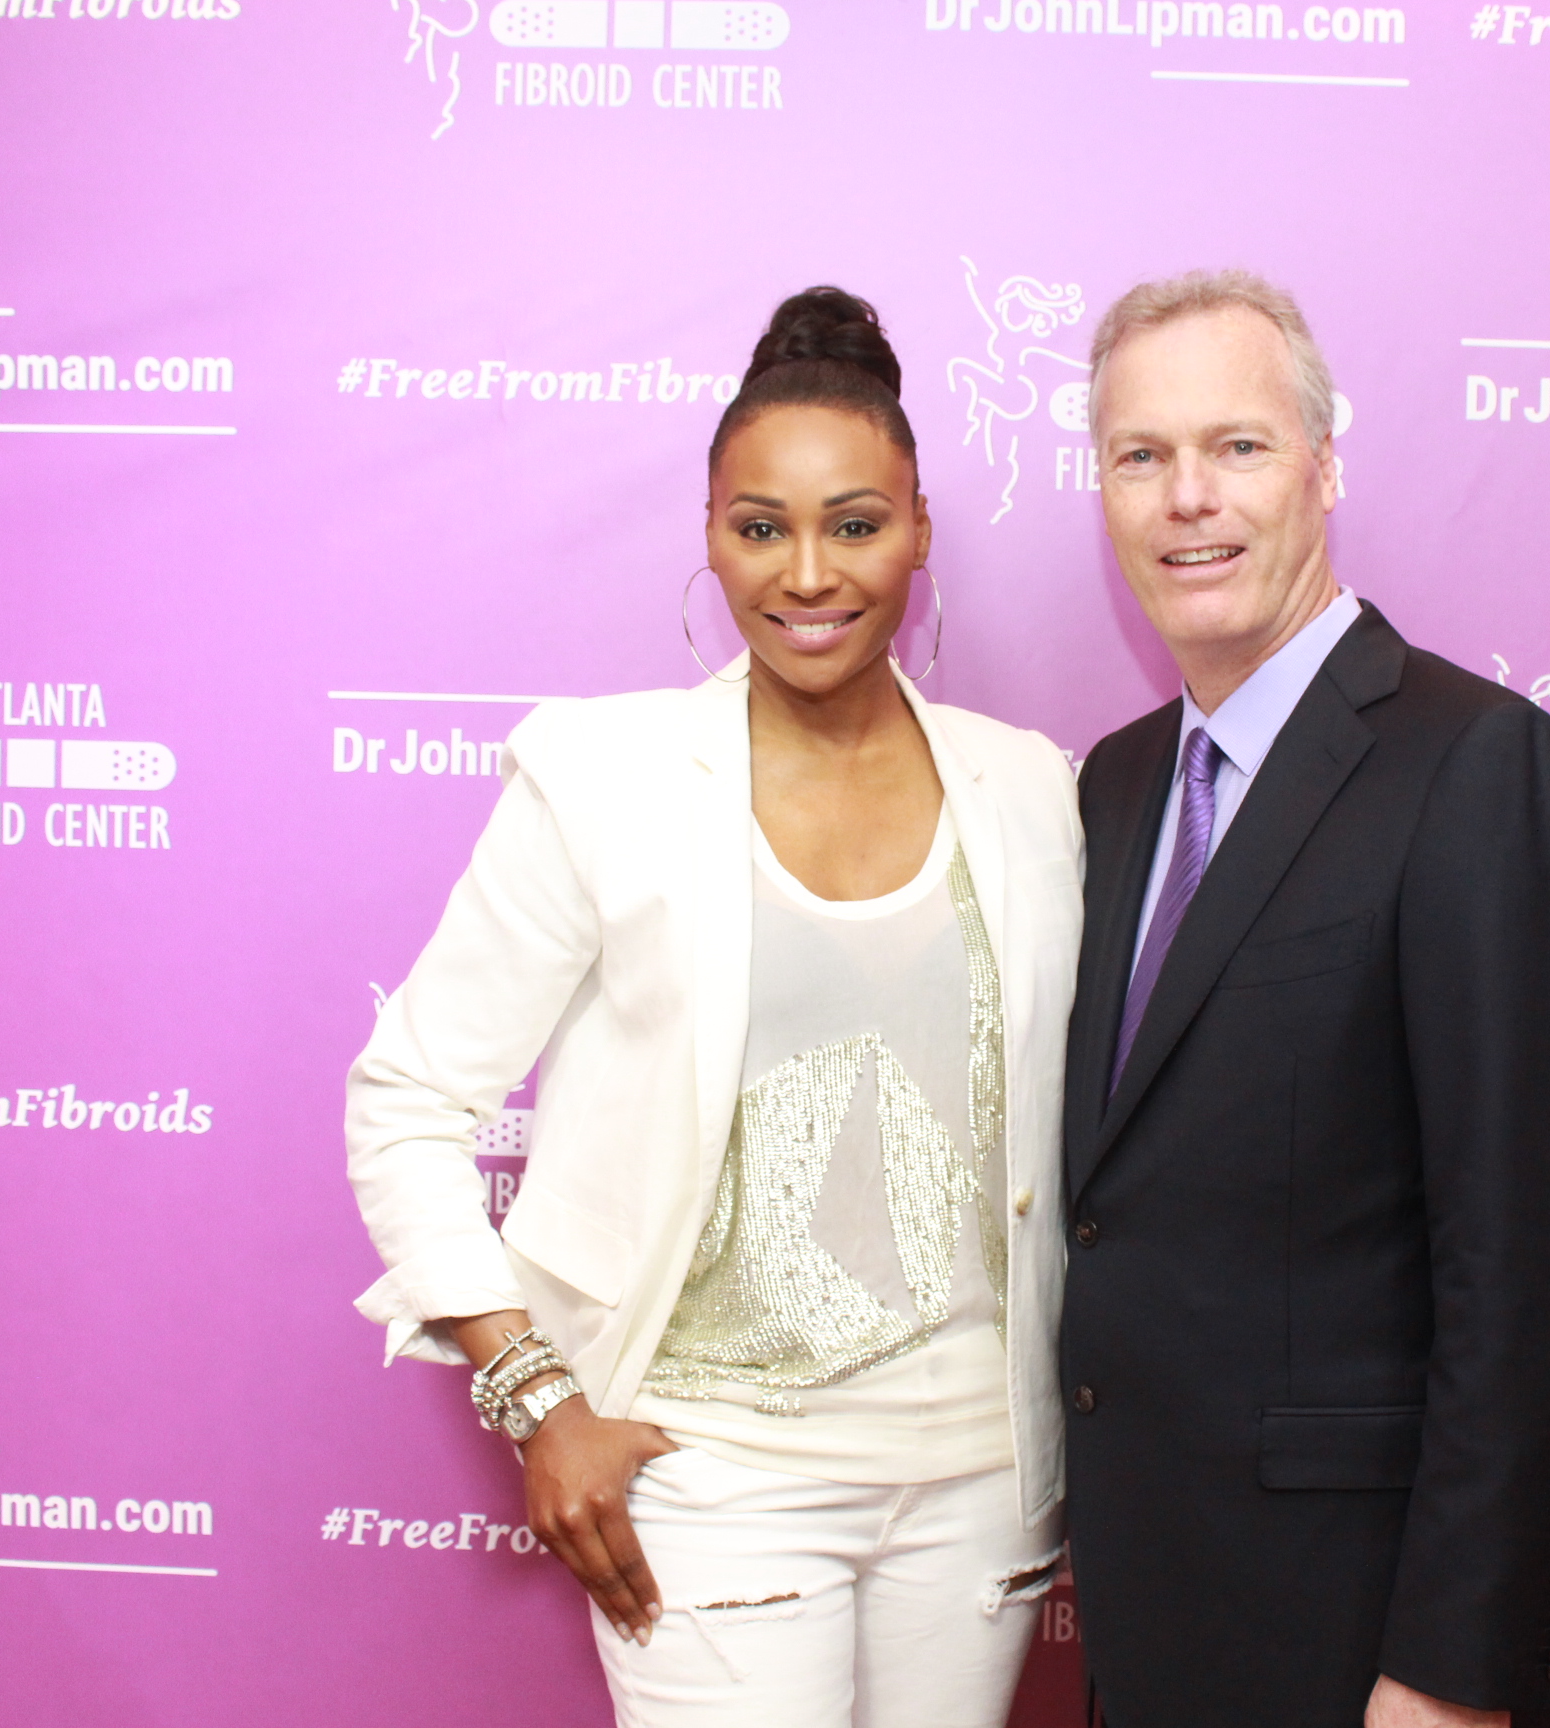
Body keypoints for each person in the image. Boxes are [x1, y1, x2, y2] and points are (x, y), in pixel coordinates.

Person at [347, 287, 1083, 1728]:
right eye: (761, 528)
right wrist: (537, 1399)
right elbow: (411, 1100)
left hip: (984, 1490)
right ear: (709, 534)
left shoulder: (1033, 789)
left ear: (920, 531)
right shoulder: (603, 781)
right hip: (710, 1480)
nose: (808, 574)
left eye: (855, 525)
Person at [1058, 270, 1550, 1728]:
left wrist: (1454, 1671)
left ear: (1324, 466)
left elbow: (1533, 1273)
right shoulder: (1116, 788)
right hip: (1158, 1624)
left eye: (1238, 446)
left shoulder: (1479, 766)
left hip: (1376, 1646)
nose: (1189, 496)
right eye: (1141, 455)